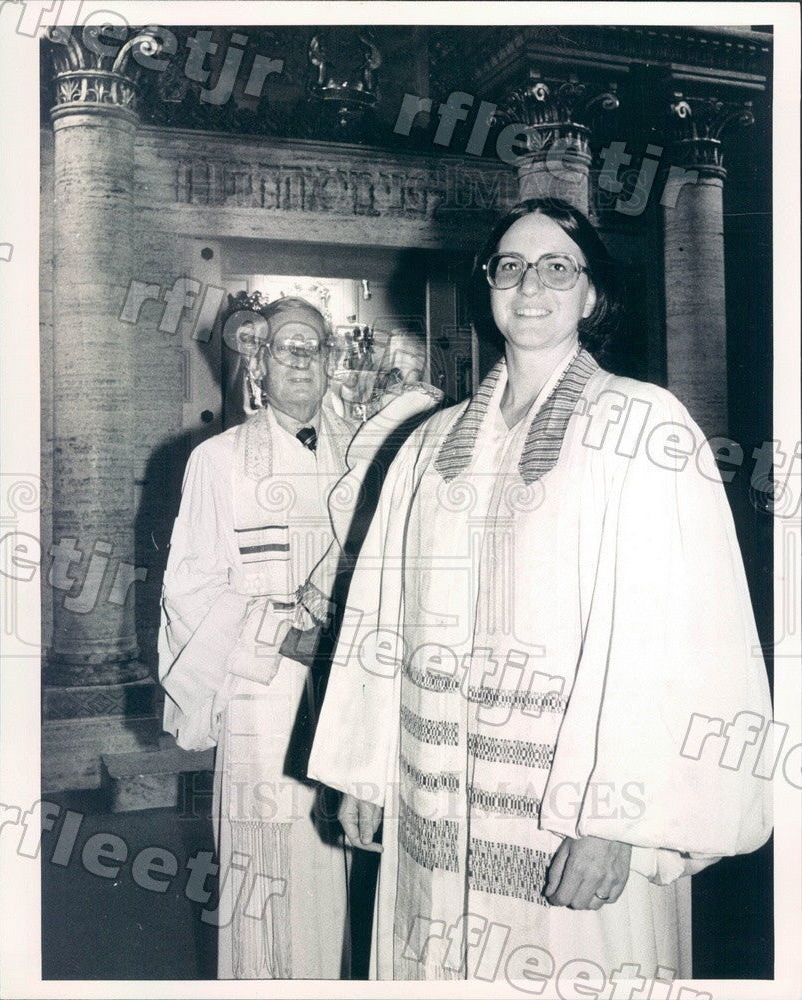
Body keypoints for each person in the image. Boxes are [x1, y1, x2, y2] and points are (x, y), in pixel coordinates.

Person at [307, 200, 773, 984]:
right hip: (433, 806)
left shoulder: (641, 424)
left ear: (591, 294)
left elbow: (679, 636)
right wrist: (365, 771)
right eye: (511, 267)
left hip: (567, 817)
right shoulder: (425, 444)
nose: (531, 285)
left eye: (557, 266)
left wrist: (616, 822)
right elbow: (378, 615)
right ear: (487, 285)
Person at [159, 297, 356, 979]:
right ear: (257, 364)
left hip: (350, 699)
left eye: (314, 345)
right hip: (261, 698)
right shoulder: (217, 462)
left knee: (346, 870)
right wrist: (282, 637)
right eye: (284, 346)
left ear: (332, 362)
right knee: (268, 878)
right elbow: (191, 591)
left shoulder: (369, 459)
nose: (300, 358)